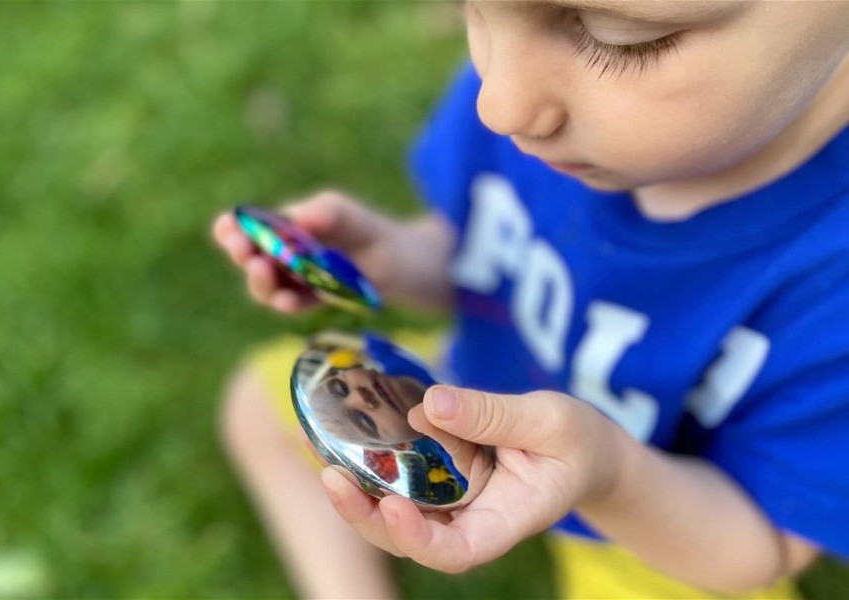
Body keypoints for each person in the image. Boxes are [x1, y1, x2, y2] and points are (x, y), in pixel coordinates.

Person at [213, 1, 849, 598]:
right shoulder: (534, 77)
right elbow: (489, 259)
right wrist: (396, 258)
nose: (502, 105)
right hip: (460, 400)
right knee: (259, 404)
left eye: (620, 40)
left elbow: (762, 542)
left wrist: (608, 475)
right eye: (475, 8)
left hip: (657, 527)